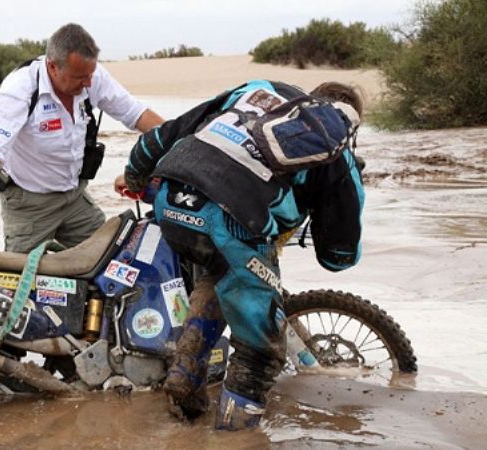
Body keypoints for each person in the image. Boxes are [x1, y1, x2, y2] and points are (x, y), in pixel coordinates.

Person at [116, 80, 365, 430]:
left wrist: (136, 179)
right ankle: (235, 437)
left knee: (221, 270)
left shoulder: (258, 91)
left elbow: (159, 138)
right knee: (260, 354)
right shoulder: (335, 148)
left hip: (170, 201)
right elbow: (339, 255)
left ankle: (186, 374)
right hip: (230, 223)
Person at [0, 23, 163, 254]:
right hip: (29, 203)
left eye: (90, 75)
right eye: (80, 77)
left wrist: (179, 141)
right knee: (20, 280)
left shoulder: (91, 75)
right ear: (52, 67)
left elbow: (136, 114)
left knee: (111, 259)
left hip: (75, 198)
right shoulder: (20, 89)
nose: (88, 83)